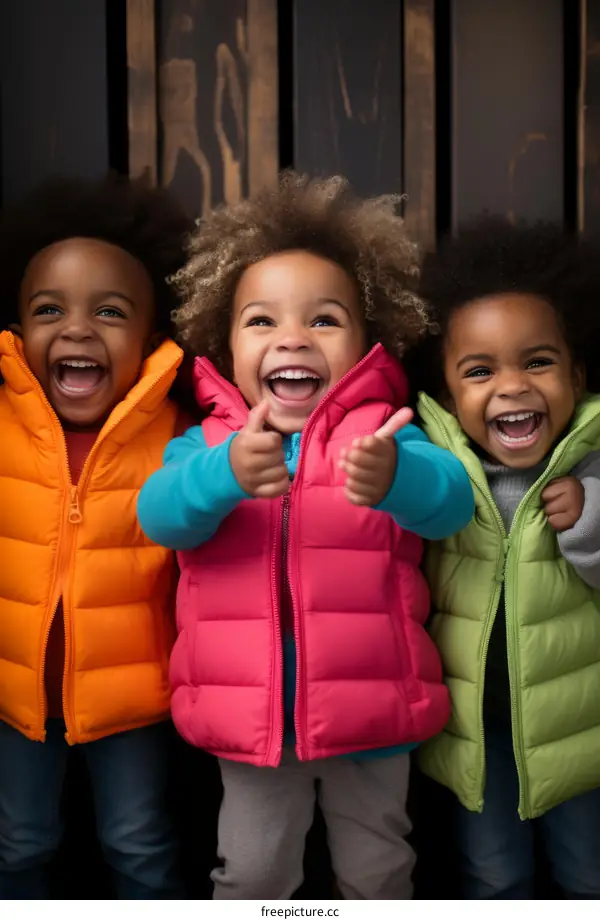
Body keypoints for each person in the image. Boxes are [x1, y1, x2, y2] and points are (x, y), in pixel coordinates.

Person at [137, 171, 474, 900]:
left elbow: (451, 506)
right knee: (255, 872)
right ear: (224, 344)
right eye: (262, 321)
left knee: (378, 871)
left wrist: (396, 478)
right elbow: (158, 516)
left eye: (324, 320)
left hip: (371, 714)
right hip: (249, 720)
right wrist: (223, 474)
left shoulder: (384, 434)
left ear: (367, 341)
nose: (292, 337)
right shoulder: (206, 443)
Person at [0, 174, 194, 898]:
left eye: (109, 312)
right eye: (50, 309)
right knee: (19, 840)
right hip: (14, 694)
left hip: (133, 697)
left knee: (136, 841)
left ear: (149, 341)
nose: (78, 329)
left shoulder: (178, 437)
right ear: (20, 332)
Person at [412, 216, 600, 899]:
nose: (512, 385)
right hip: (477, 728)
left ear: (576, 375)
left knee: (587, 873)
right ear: (448, 395)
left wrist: (591, 515)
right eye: (480, 370)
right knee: (494, 876)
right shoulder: (437, 473)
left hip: (580, 727)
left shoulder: (591, 464)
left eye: (538, 362)